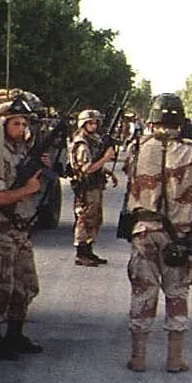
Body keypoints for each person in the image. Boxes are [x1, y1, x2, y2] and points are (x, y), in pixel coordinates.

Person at [123, 93, 192, 372]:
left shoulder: (137, 146)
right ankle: (175, 359)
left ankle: (138, 358)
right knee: (177, 292)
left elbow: (129, 176)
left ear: (153, 119)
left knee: (143, 291)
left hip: (144, 231)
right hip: (179, 236)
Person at [0, 99, 51, 359]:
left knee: (26, 286)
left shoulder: (22, 152)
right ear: (2, 125)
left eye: (24, 123)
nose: (21, 128)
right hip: (1, 228)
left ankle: (15, 334)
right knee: (1, 287)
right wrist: (26, 190)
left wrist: (42, 168)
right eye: (15, 123)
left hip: (21, 229)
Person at [69, 109, 116, 267]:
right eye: (90, 123)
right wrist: (105, 159)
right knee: (84, 219)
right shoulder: (82, 143)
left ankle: (88, 251)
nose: (93, 125)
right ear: (83, 124)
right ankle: (81, 253)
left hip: (94, 185)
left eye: (95, 122)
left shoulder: (92, 140)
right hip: (86, 186)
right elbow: (87, 168)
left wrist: (108, 172)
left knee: (94, 218)